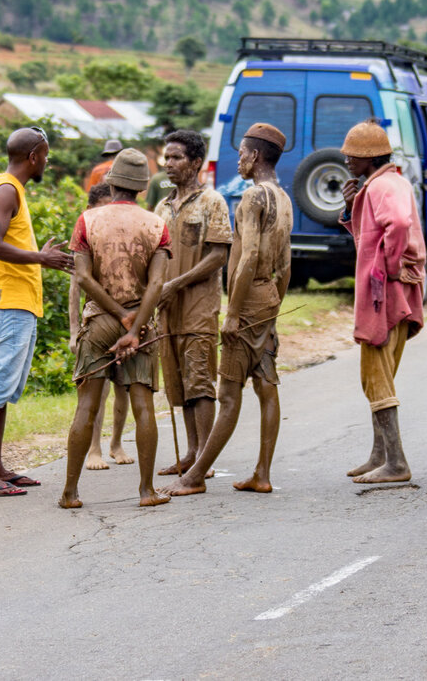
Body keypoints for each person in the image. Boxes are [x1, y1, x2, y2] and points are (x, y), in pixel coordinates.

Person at [165, 123, 292, 496]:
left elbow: (248, 255)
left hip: (248, 301)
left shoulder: (253, 198)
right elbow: (284, 264)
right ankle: (261, 473)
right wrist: (275, 304)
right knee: (267, 387)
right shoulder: (282, 198)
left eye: (240, 154)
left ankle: (194, 477)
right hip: (268, 299)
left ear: (254, 156)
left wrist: (234, 312)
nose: (238, 160)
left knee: (228, 395)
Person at [61, 148, 172, 509]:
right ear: (142, 187)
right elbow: (156, 286)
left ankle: (70, 493)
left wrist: (117, 316)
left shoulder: (88, 220)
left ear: (110, 182)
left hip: (99, 321)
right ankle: (146, 491)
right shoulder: (156, 224)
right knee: (143, 406)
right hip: (140, 325)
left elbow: (83, 277)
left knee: (87, 407)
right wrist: (134, 324)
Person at [0, 127, 73, 498]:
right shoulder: (8, 189)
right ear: (33, 156)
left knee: (4, 388)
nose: (47, 160)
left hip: (16, 299)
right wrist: (40, 258)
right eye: (45, 154)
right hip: (10, 302)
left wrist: (33, 257)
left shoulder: (6, 190)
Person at [339, 119, 425, 484]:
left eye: (352, 155)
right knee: (379, 375)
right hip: (396, 293)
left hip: (384, 295)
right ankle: (380, 455)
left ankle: (397, 463)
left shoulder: (381, 187)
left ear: (369, 157)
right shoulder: (389, 182)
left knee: (376, 377)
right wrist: (348, 209)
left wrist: (388, 268)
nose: (346, 160)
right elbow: (371, 233)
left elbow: (400, 224)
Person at [153, 130, 231, 476]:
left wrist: (177, 283)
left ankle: (204, 460)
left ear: (196, 163)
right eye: (166, 158)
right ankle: (191, 452)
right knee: (178, 383)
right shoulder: (161, 206)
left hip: (199, 307)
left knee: (200, 382)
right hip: (167, 309)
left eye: (176, 158)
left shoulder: (212, 201)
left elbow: (218, 255)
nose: (169, 164)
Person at [69, 183, 133, 471]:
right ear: (91, 209)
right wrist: (73, 332)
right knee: (97, 390)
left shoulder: (124, 234)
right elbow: (75, 288)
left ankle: (116, 443)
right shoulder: (85, 232)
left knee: (124, 386)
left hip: (125, 321)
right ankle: (94, 448)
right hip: (95, 320)